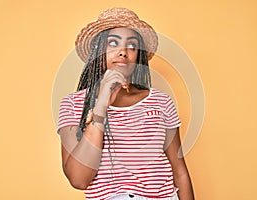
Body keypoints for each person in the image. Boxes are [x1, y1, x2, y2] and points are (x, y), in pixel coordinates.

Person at [57, 7, 194, 200]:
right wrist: (101, 105)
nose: (123, 52)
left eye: (132, 46)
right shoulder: (73, 104)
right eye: (113, 43)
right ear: (98, 51)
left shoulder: (161, 101)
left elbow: (179, 171)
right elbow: (79, 180)